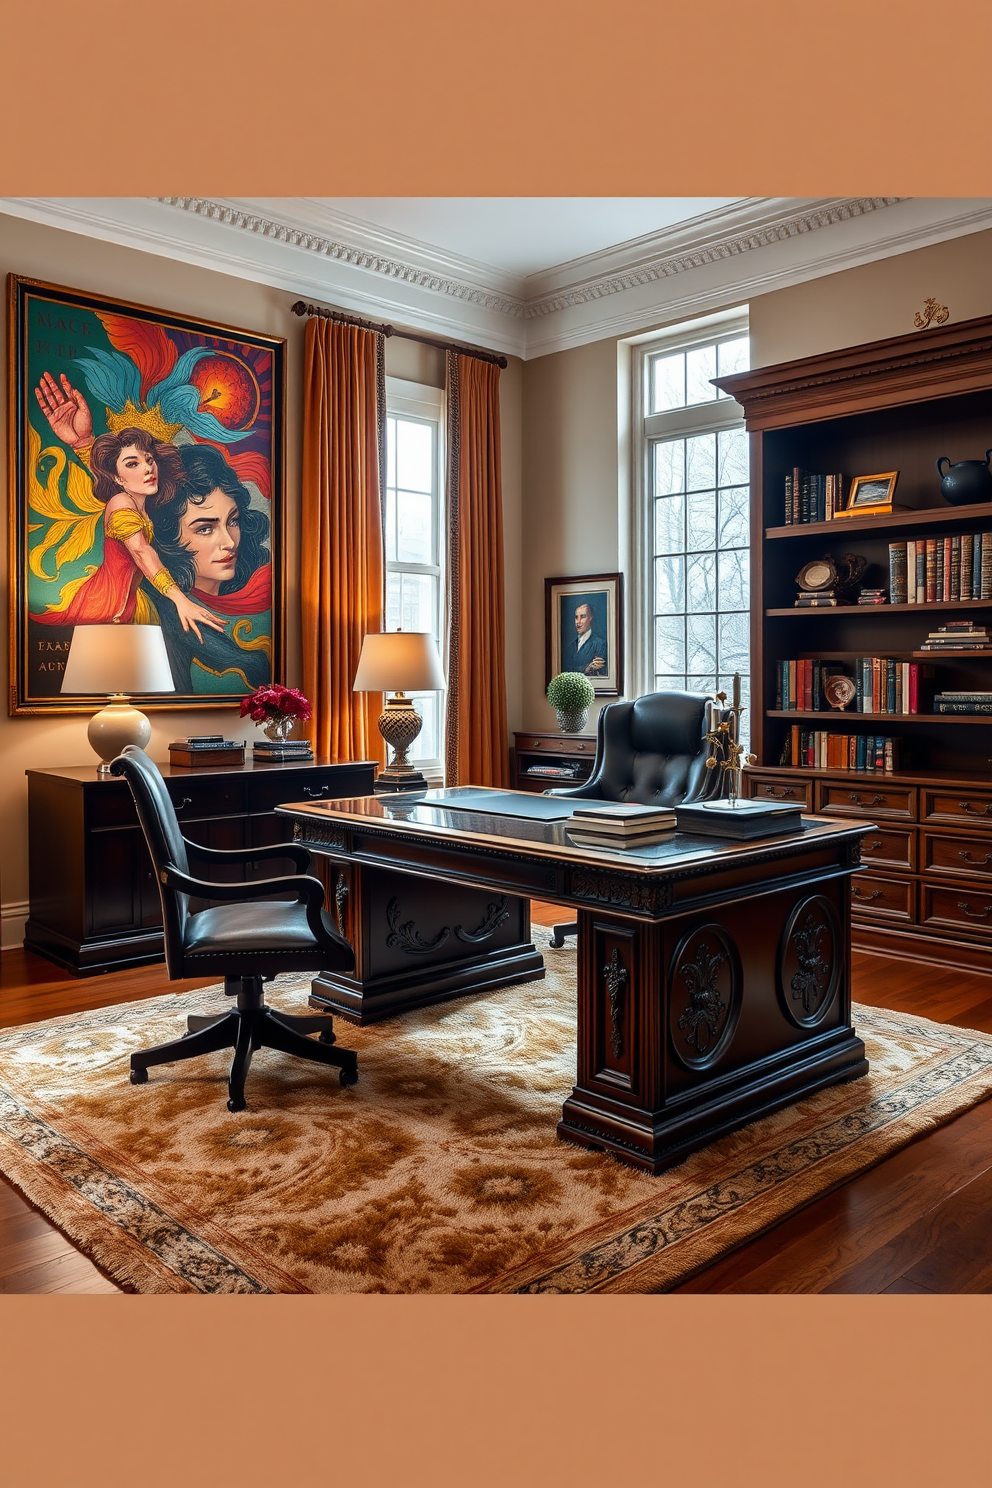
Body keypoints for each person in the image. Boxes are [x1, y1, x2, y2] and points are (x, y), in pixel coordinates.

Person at [30, 373, 224, 641]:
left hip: (122, 604)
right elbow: (141, 551)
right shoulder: (122, 503)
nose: (147, 468)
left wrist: (82, 441)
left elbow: (112, 473)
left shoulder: (134, 500)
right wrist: (181, 600)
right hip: (108, 607)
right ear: (119, 478)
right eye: (133, 464)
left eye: (148, 459)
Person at [149, 443, 272, 693]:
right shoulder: (165, 612)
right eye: (206, 528)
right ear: (170, 538)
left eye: (233, 521)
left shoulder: (263, 593)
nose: (229, 542)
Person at [562, 601, 608, 676]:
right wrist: (586, 668)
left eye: (582, 616)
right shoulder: (569, 647)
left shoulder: (601, 644)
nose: (578, 622)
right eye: (576, 617)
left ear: (591, 618)